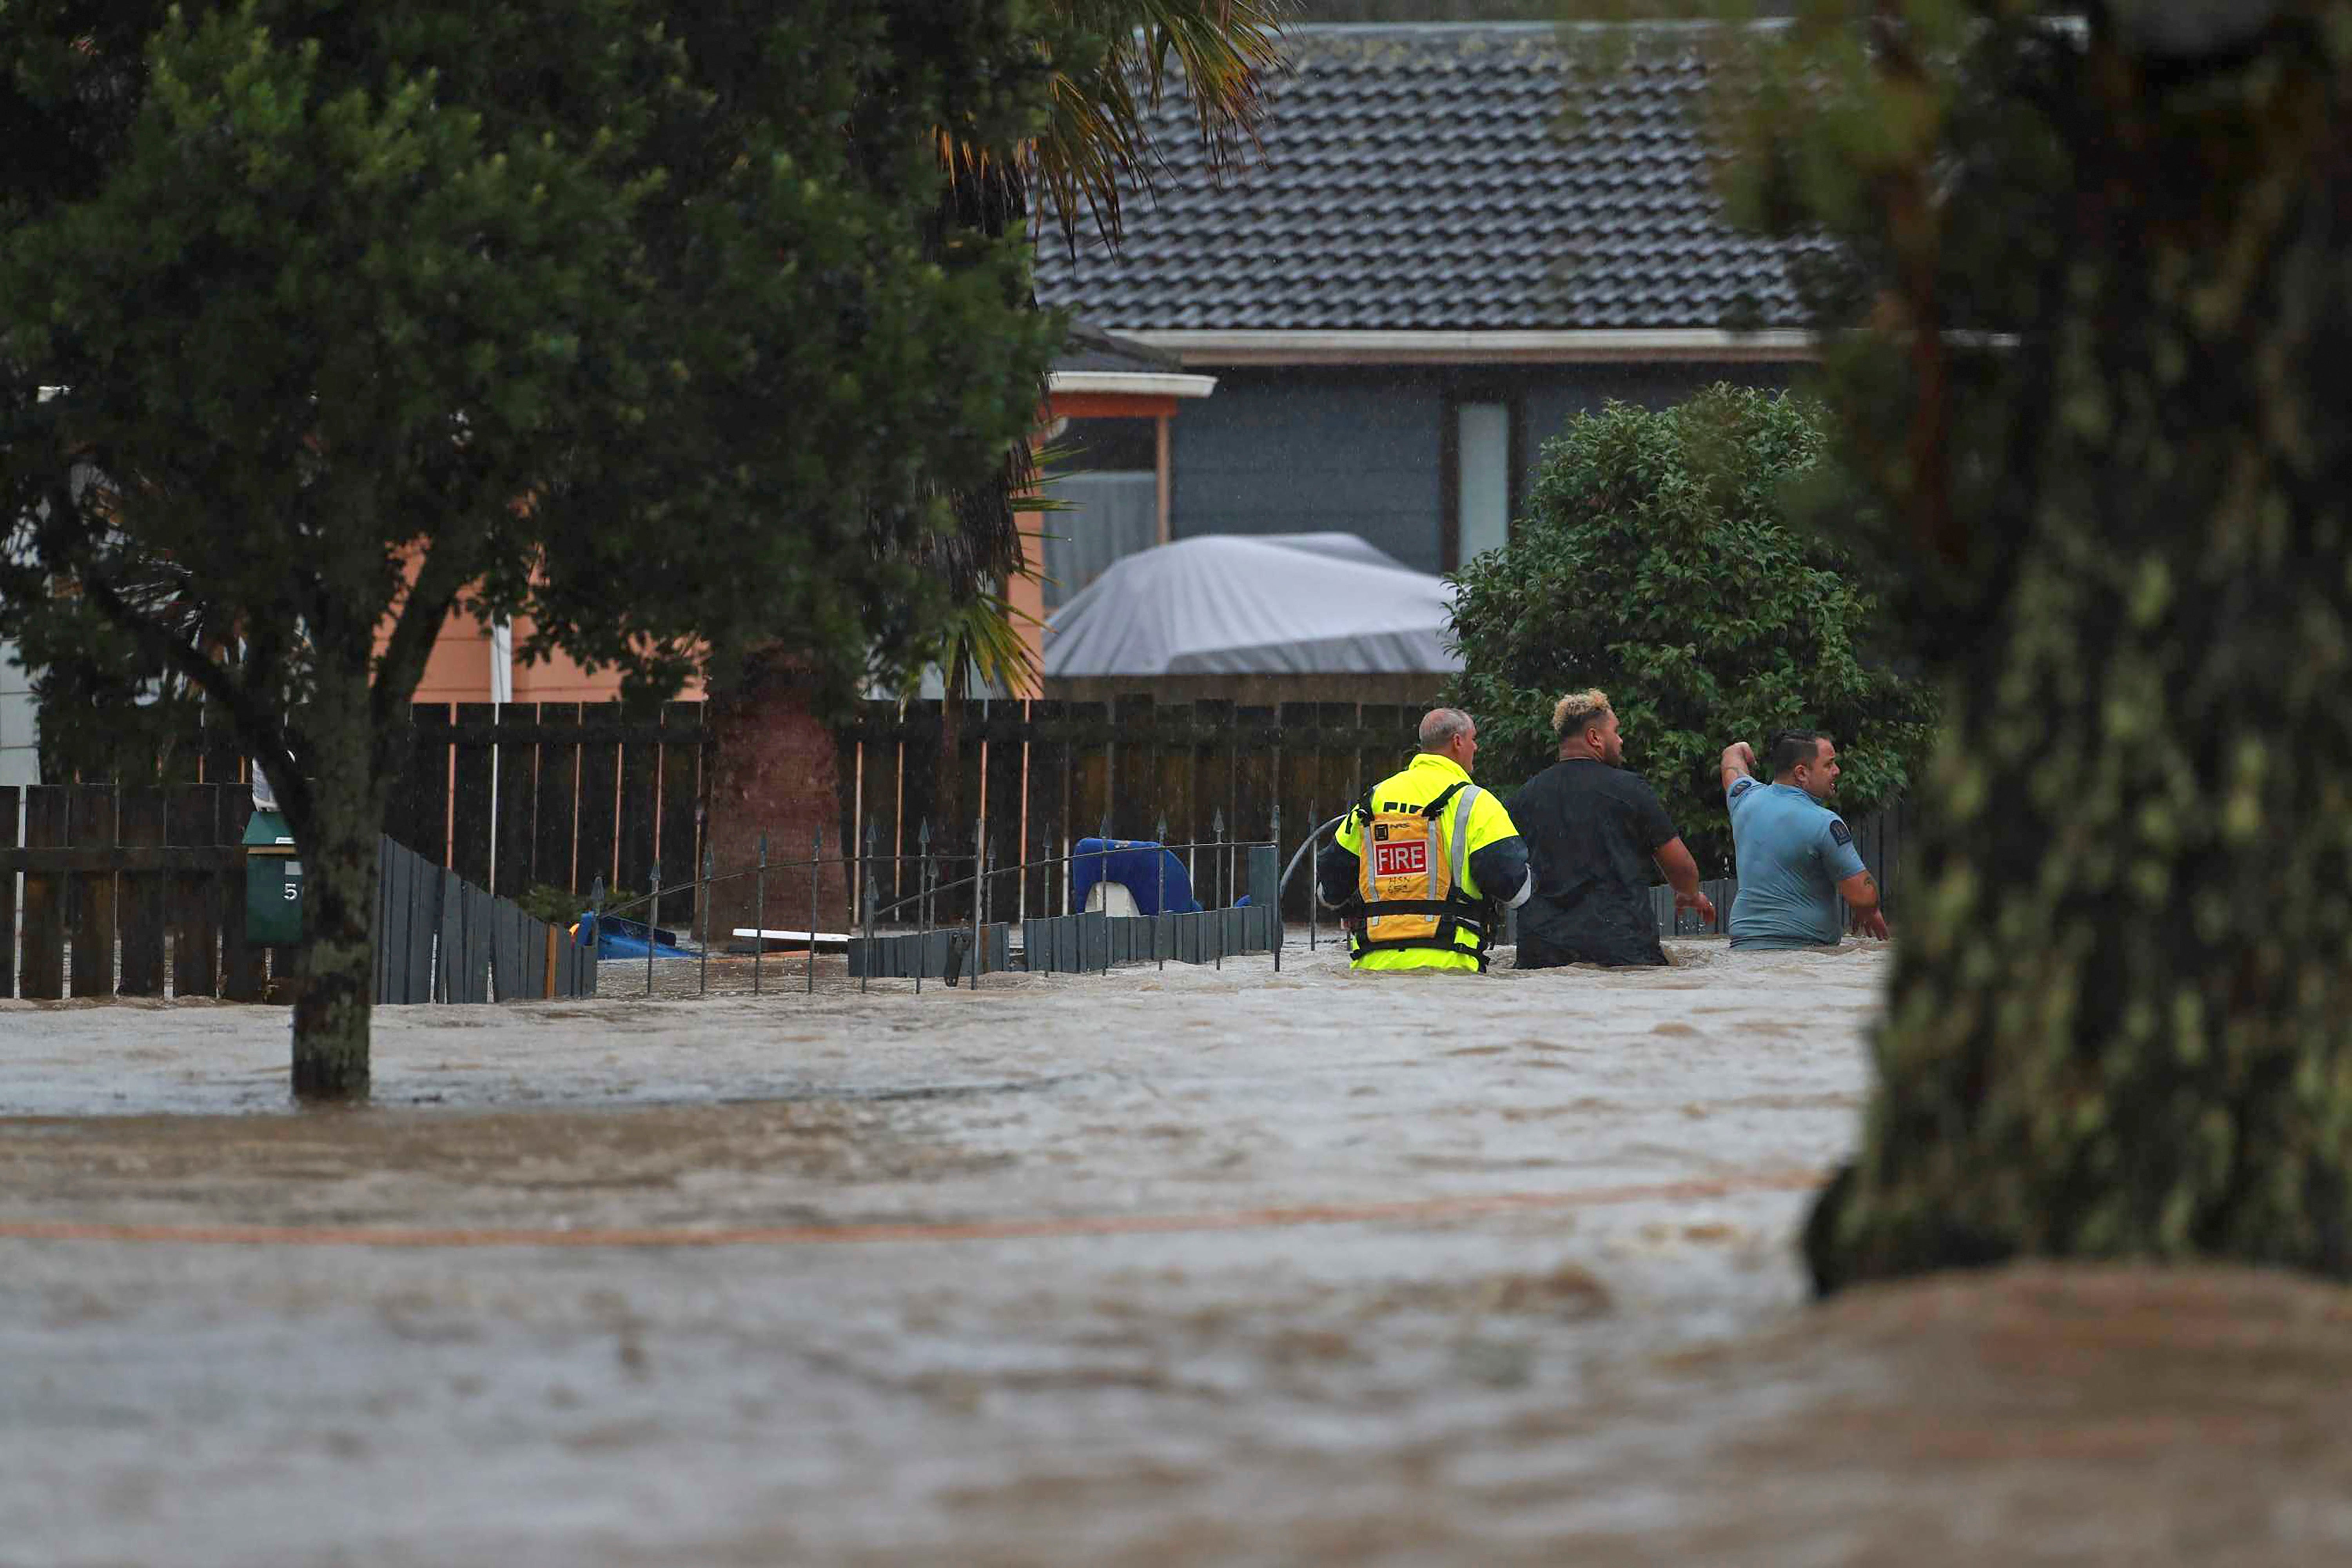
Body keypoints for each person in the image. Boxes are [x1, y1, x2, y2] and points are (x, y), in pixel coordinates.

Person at [1507, 689, 1714, 968]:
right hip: (1622, 951)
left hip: (1542, 955)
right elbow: (1683, 867)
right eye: (1616, 732)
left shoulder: (1524, 797)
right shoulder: (1630, 790)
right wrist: (1689, 894)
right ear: (1595, 737)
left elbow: (1505, 869)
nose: (1621, 740)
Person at [1316, 707, 1531, 973]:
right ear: (1457, 742)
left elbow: (1329, 890)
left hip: (1372, 971)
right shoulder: (1477, 803)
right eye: (1474, 739)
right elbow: (1517, 890)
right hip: (1453, 968)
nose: (1476, 747)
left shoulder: (1373, 799)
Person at [1719, 730, 1886, 948]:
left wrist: (1738, 749)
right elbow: (1863, 896)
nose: (1837, 771)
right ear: (1801, 774)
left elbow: (1731, 765)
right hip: (1805, 956)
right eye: (1829, 765)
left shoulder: (1743, 798)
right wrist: (1870, 909)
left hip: (1743, 950)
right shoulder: (1825, 823)